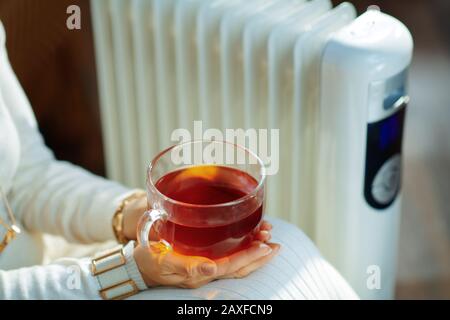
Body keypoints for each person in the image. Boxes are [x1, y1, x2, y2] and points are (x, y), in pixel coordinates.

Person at [0, 22, 357, 300]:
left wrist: (134, 213)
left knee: (287, 245)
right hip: (56, 283)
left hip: (58, 258)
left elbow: (30, 176)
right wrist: (125, 272)